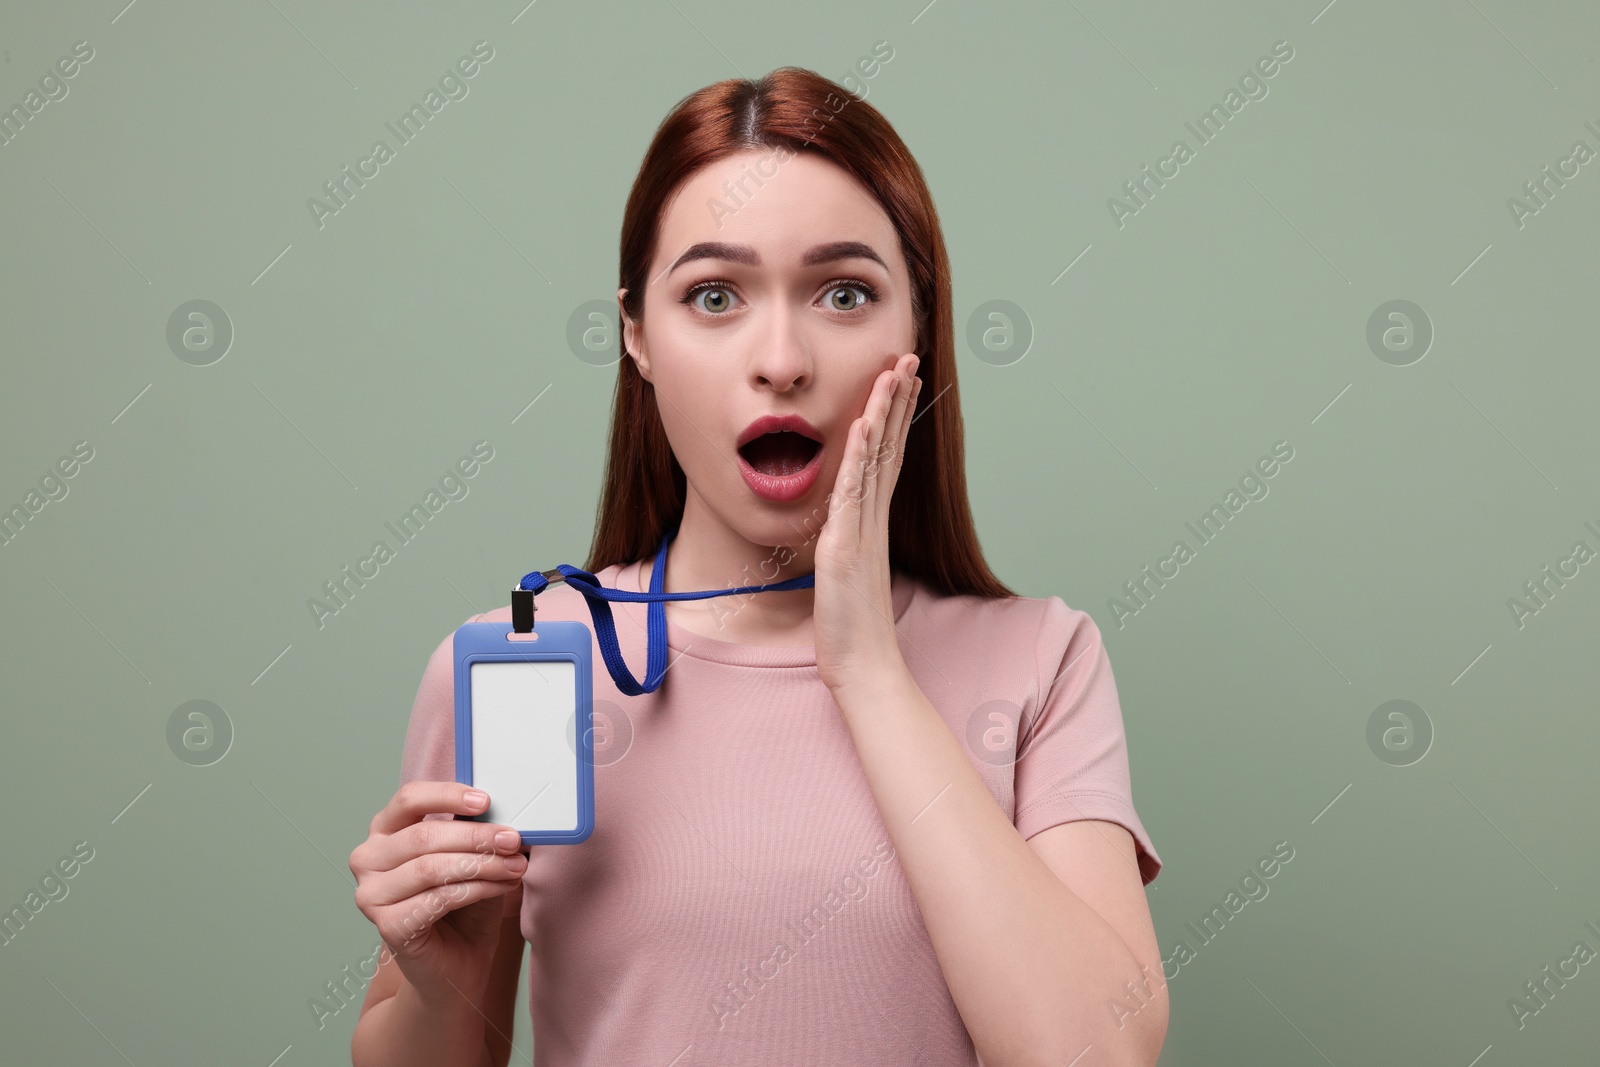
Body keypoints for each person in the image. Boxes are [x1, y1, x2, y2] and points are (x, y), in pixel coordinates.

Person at [348, 65, 1166, 1067]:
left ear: (918, 327)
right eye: (715, 294)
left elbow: (1093, 1056)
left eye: (843, 291)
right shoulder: (523, 662)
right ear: (637, 334)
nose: (781, 357)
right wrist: (446, 977)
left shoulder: (1040, 661)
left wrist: (867, 664)